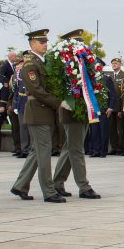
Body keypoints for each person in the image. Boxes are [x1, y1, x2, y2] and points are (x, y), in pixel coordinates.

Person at [10, 29, 65, 202]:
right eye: (42, 42)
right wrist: (58, 102)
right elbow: (36, 90)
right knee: (43, 152)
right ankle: (49, 191)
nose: (45, 44)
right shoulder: (30, 64)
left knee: (36, 151)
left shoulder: (42, 62)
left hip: (44, 112)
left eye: (46, 42)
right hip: (38, 111)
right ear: (32, 44)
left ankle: (20, 185)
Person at [50, 31, 102, 200]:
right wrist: (65, 101)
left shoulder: (84, 61)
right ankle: (83, 186)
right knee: (76, 149)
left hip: (83, 109)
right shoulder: (62, 62)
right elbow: (56, 86)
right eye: (77, 43)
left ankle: (57, 183)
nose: (81, 47)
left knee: (69, 148)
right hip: (70, 110)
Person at [0, 50, 21, 155]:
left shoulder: (21, 77)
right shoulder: (12, 78)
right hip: (13, 105)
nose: (17, 68)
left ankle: (22, 147)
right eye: (16, 67)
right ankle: (17, 147)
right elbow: (10, 93)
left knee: (22, 128)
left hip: (20, 105)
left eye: (18, 66)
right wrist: (8, 105)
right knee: (15, 128)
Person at [108, 57, 124, 156]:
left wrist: (121, 109)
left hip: (120, 106)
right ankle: (114, 147)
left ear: (120, 64)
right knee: (112, 128)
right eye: (112, 63)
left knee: (121, 128)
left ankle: (122, 147)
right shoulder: (110, 76)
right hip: (112, 107)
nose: (114, 65)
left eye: (116, 63)